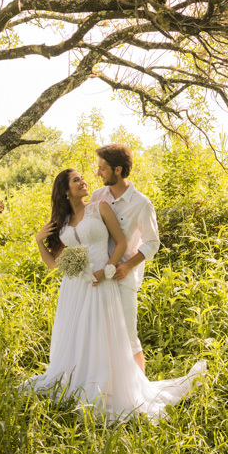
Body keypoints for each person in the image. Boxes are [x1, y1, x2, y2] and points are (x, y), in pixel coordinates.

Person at [26, 168, 202, 421]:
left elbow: (119, 243)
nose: (84, 181)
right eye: (76, 180)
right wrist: (39, 240)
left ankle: (107, 389)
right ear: (65, 191)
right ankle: (77, 380)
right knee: (77, 334)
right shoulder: (62, 221)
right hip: (73, 286)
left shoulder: (100, 207)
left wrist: (106, 270)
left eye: (82, 177)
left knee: (103, 335)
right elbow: (55, 264)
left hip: (101, 282)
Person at [89, 143, 159, 373]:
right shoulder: (97, 196)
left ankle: (139, 391)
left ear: (117, 170)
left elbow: (152, 242)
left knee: (129, 337)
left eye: (102, 168)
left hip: (123, 278)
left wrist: (128, 265)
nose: (97, 173)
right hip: (99, 275)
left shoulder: (141, 204)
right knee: (100, 336)